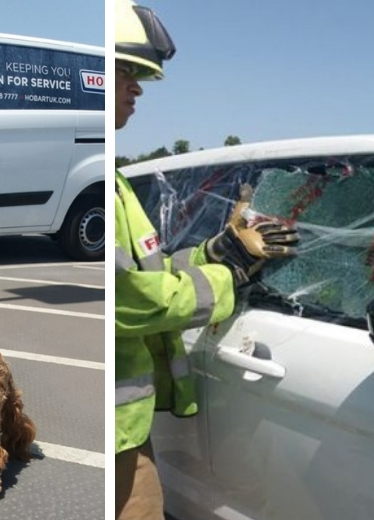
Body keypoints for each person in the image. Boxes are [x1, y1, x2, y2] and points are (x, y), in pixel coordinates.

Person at [114, 1, 300, 518]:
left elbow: (150, 269)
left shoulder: (114, 181)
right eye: (127, 71)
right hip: (117, 440)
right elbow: (132, 299)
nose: (138, 88)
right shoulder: (103, 183)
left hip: (126, 430)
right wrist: (233, 270)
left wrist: (215, 250)